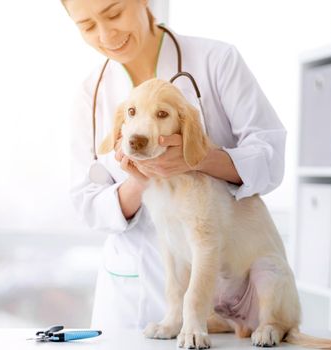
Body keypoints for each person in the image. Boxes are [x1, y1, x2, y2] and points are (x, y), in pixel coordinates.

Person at [62, 0, 286, 331]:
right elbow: (87, 202)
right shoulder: (89, 93)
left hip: (222, 283)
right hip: (130, 289)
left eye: (113, 13)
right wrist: (142, 178)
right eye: (88, 26)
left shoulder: (216, 60)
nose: (106, 35)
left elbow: (270, 156)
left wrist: (201, 158)